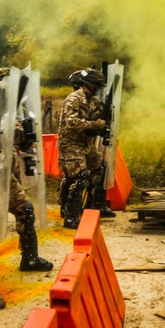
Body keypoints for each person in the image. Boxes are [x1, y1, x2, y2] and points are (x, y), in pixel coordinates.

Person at [0, 77, 53, 272]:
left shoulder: (10, 120)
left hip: (7, 176)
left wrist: (27, 132)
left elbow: (21, 139)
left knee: (25, 210)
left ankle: (30, 259)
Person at [57, 68, 115, 229]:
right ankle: (71, 217)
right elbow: (71, 123)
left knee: (101, 168)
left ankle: (96, 206)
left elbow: (99, 116)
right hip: (70, 144)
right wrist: (94, 124)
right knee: (81, 177)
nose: (98, 89)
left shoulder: (93, 101)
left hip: (85, 143)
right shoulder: (73, 99)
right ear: (88, 84)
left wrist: (107, 115)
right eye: (96, 85)